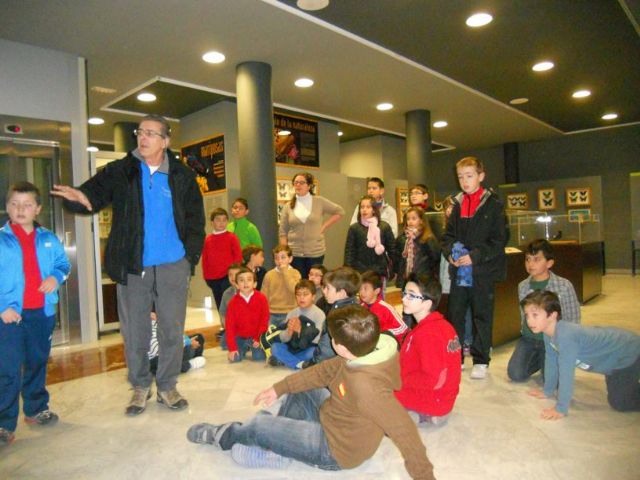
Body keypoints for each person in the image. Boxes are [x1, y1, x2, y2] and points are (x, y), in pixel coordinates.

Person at [51, 114, 205, 414]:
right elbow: (92, 194)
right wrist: (78, 197)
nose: (142, 138)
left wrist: (189, 260)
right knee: (135, 330)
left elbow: (196, 223)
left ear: (165, 141)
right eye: (140, 132)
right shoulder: (121, 171)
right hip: (134, 265)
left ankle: (168, 386)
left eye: (150, 133)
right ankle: (139, 386)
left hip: (174, 263)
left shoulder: (182, 176)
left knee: (172, 329)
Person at [186, 304, 436, 479]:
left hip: (335, 451)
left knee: (259, 426)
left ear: (342, 347)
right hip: (336, 420)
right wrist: (279, 388)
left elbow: (405, 432)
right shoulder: (362, 352)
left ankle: (223, 435)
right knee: (301, 387)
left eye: (332, 338)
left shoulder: (367, 387)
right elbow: (322, 372)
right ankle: (280, 446)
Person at [0, 182, 71, 448]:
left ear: (37, 209)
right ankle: (4, 423)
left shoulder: (49, 239)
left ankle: (35, 408)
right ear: (7, 207)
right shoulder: (1, 239)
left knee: (37, 362)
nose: (21, 209)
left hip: (41, 313)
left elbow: (64, 264)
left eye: (27, 204)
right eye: (15, 204)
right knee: (7, 369)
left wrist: (55, 277)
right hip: (8, 317)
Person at [523, 290, 640, 418]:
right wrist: (547, 391)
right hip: (612, 359)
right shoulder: (548, 333)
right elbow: (551, 361)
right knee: (620, 394)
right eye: (527, 315)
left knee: (621, 403)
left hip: (629, 351)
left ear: (552, 315)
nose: (529, 321)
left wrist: (561, 409)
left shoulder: (566, 336)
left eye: (535, 315)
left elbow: (566, 373)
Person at [441, 156, 507, 380]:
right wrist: (450, 253)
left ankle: (481, 360)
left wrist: (474, 257)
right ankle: (455, 356)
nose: (464, 181)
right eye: (460, 177)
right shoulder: (457, 203)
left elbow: (499, 240)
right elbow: (447, 236)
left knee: (482, 315)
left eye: (469, 176)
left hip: (482, 271)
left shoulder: (494, 204)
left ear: (481, 176)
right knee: (455, 314)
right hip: (459, 270)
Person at [507, 239, 580, 382]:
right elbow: (524, 316)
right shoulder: (522, 286)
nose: (530, 264)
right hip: (529, 339)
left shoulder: (564, 286)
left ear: (549, 263)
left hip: (553, 341)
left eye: (536, 259)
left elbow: (573, 317)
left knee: (551, 380)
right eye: (527, 259)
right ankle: (540, 361)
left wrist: (567, 345)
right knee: (515, 374)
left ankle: (548, 362)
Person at [395, 274, 461, 427]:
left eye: (411, 296)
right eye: (404, 293)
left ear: (427, 303)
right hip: (443, 397)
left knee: (373, 395)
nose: (404, 299)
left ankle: (424, 414)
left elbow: (434, 379)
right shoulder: (442, 325)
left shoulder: (428, 334)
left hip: (435, 400)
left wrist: (397, 380)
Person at [279, 172, 344, 278]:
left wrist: (324, 226)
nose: (298, 185)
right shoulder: (288, 206)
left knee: (315, 282)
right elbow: (283, 232)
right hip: (295, 253)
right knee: (298, 283)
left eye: (301, 183)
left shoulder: (319, 201)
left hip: (315, 252)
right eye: (296, 183)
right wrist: (285, 252)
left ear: (309, 186)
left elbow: (340, 212)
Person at [305, 267, 360, 367]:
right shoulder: (356, 307)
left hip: (331, 367)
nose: (324, 291)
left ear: (342, 293)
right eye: (324, 287)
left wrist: (313, 365)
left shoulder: (337, 316)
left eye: (328, 288)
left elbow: (326, 351)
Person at [270, 279, 326, 369]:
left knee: (313, 352)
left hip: (308, 347)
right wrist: (289, 332)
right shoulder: (292, 313)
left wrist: (301, 331)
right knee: (275, 347)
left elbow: (318, 338)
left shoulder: (319, 314)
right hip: (293, 347)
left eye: (305, 294)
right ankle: (300, 364)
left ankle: (284, 361)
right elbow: (282, 338)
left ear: (313, 297)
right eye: (298, 295)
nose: (301, 298)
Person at [344, 195, 396, 282]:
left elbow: (392, 250)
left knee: (378, 294)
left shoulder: (384, 226)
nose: (364, 209)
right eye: (362, 207)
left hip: (380, 271)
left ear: (374, 209)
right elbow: (349, 251)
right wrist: (348, 270)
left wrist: (395, 269)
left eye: (368, 207)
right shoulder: (354, 228)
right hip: (360, 271)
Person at [225, 267, 269, 363]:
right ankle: (243, 348)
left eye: (249, 280)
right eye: (241, 280)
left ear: (255, 284)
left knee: (259, 358)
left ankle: (251, 348)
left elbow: (264, 321)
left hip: (255, 336)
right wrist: (232, 349)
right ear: (236, 285)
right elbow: (229, 327)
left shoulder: (262, 299)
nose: (245, 283)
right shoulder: (232, 303)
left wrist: (259, 338)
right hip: (240, 336)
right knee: (235, 359)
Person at [202, 207, 242, 311]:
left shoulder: (232, 238)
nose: (221, 223)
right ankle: (224, 325)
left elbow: (238, 257)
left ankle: (233, 326)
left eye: (224, 220)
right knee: (220, 304)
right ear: (212, 222)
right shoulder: (208, 240)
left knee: (230, 303)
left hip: (227, 277)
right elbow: (205, 260)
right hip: (213, 278)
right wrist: (207, 277)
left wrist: (235, 275)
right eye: (218, 220)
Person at [394, 206, 441, 290]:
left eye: (414, 218)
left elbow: (436, 258)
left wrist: (427, 275)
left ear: (421, 221)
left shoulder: (428, 238)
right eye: (408, 219)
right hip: (408, 279)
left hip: (423, 279)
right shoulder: (405, 239)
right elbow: (401, 260)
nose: (410, 221)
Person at [359, 271, 408, 345]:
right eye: (360, 289)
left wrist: (383, 333)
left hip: (390, 343)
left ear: (377, 291)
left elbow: (403, 328)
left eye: (365, 289)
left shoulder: (386, 308)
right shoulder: (361, 307)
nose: (362, 292)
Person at [261, 245, 301, 326]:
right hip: (272, 313)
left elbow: (294, 289)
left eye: (283, 257)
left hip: (290, 312)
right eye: (276, 258)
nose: (279, 261)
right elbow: (264, 295)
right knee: (270, 336)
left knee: (287, 337)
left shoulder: (295, 273)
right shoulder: (269, 275)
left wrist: (285, 272)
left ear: (290, 259)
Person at [217, 262, 243, 346]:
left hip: (248, 327)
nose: (232, 277)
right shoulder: (227, 293)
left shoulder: (248, 290)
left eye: (235, 274)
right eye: (230, 275)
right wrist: (227, 326)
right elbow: (222, 313)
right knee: (224, 344)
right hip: (232, 328)